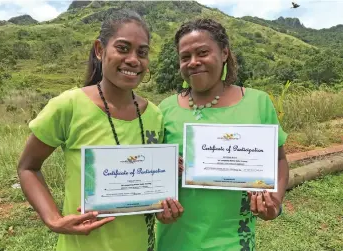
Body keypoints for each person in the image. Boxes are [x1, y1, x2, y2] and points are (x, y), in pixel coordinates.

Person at [17, 9, 183, 251]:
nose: (134, 59)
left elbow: (149, 191)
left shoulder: (154, 115)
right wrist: (53, 219)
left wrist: (163, 208)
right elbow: (27, 167)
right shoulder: (69, 105)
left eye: (142, 52)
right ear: (99, 50)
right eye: (123, 48)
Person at [156, 18, 289, 251]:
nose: (193, 62)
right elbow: (154, 177)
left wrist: (274, 202)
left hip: (233, 241)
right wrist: (159, 206)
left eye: (203, 52)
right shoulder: (165, 109)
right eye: (185, 57)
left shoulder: (258, 103)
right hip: (174, 240)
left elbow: (278, 161)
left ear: (224, 53)